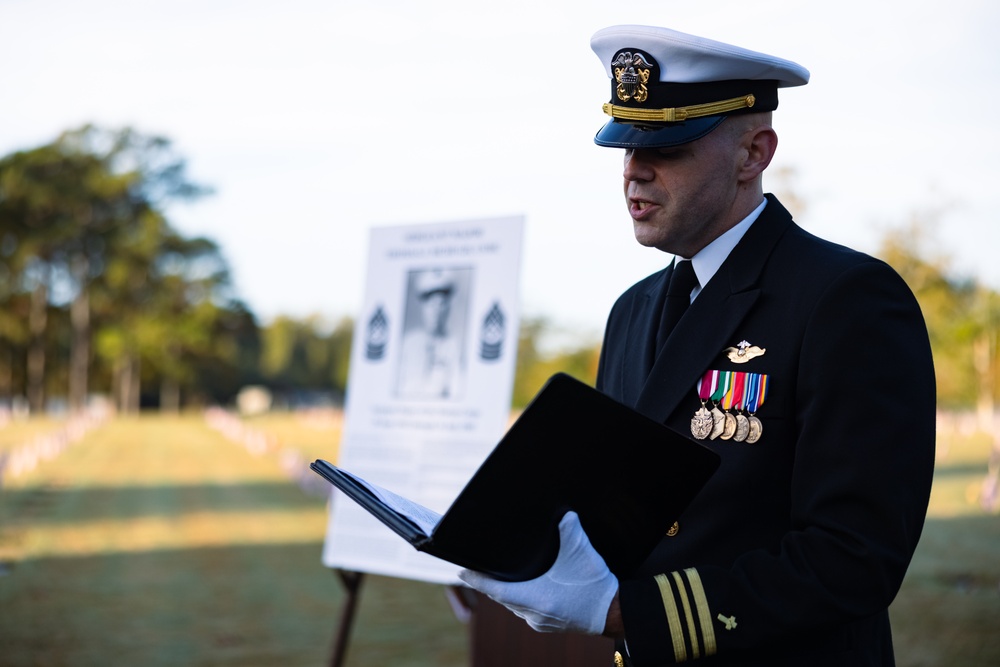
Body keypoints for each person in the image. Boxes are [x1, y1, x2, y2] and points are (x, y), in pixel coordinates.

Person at [459, 24, 936, 666]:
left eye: (669, 146)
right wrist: (512, 551)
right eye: (624, 146)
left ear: (753, 153)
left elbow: (854, 558)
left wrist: (630, 614)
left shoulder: (844, 300)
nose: (635, 169)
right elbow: (617, 516)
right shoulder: (630, 312)